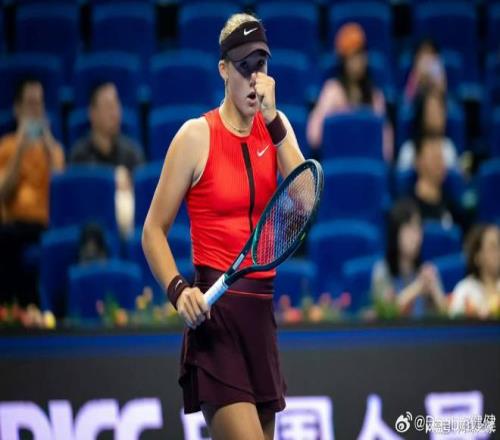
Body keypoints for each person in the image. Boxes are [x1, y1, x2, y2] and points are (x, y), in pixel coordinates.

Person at [142, 13, 304, 440]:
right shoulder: (195, 136)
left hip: (260, 320)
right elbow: (153, 230)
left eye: (260, 65)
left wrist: (273, 121)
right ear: (223, 70)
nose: (254, 78)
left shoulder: (277, 127)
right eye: (243, 67)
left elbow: (305, 201)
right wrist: (179, 291)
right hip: (217, 320)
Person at [0, 78, 65, 306]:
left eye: (39, 104)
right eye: (30, 104)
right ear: (17, 109)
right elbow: (3, 191)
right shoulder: (6, 147)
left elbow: (61, 187)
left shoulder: (53, 150)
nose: (35, 111)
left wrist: (46, 142)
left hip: (45, 225)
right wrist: (20, 149)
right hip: (15, 225)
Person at [306, 22, 392, 160]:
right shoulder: (332, 90)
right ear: (343, 61)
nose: (357, 61)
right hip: (338, 160)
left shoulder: (375, 95)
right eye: (352, 57)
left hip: (367, 160)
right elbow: (314, 136)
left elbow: (387, 148)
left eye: (361, 55)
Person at [69, 82, 144, 236]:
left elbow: (145, 197)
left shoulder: (133, 152)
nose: (114, 113)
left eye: (116, 105)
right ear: (92, 113)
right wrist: (111, 181)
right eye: (108, 107)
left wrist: (130, 184)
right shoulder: (78, 156)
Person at [371, 198, 447, 318]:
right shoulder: (382, 271)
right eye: (410, 228)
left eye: (418, 229)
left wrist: (435, 290)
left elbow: (446, 317)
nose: (416, 237)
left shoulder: (426, 272)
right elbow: (385, 313)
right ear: (396, 232)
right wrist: (417, 288)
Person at [397, 88, 458, 172]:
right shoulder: (408, 150)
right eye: (432, 111)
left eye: (440, 111)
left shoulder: (448, 148)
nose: (436, 117)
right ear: (422, 114)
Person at [449, 224, 500, 319]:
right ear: (477, 257)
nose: (498, 252)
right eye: (493, 247)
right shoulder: (465, 290)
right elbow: (455, 324)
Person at [404, 38, 447, 103]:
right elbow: (409, 94)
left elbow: (442, 90)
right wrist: (419, 76)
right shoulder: (416, 68)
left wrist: (430, 80)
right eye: (423, 52)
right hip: (417, 101)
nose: (426, 57)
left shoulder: (438, 66)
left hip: (436, 99)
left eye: (429, 52)